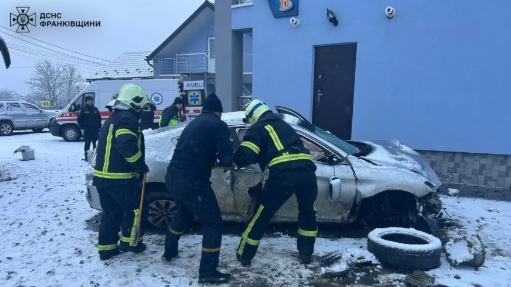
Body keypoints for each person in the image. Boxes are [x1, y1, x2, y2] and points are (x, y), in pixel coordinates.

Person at [233, 99, 318, 266]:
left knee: (262, 214)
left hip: (283, 175)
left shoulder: (257, 128)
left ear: (252, 116)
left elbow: (246, 156)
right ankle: (306, 253)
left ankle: (245, 255)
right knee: (308, 212)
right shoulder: (284, 125)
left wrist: (230, 160)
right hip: (307, 172)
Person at [162, 93, 233, 284]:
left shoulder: (194, 123)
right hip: (193, 182)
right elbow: (227, 159)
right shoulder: (218, 125)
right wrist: (221, 160)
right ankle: (208, 272)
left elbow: (196, 149)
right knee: (213, 224)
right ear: (219, 112)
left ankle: (169, 250)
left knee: (183, 214)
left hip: (173, 177)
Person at [93, 83, 151, 261]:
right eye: (142, 108)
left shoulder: (114, 118)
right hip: (120, 178)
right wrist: (139, 165)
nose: (142, 111)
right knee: (135, 210)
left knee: (111, 213)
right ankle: (130, 243)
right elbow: (126, 145)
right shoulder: (127, 119)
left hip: (103, 178)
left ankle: (106, 249)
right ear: (135, 104)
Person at [77, 95, 101, 161]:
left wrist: (99, 126)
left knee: (95, 144)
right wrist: (82, 127)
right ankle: (86, 157)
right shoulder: (83, 109)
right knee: (87, 144)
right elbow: (79, 119)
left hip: (95, 129)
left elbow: (99, 118)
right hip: (87, 130)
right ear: (86, 101)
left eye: (91, 100)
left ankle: (95, 158)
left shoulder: (95, 109)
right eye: (88, 100)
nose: (90, 102)